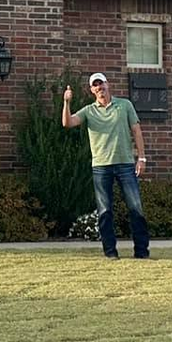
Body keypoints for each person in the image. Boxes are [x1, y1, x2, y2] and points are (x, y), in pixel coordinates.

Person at [62, 73, 149, 259]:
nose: (99, 87)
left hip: (126, 164)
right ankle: (110, 252)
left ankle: (142, 252)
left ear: (108, 85)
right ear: (92, 90)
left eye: (101, 83)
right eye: (95, 85)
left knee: (136, 208)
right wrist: (67, 103)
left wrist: (141, 158)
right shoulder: (89, 110)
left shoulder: (124, 105)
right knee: (105, 210)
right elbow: (68, 123)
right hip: (101, 167)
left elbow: (136, 130)